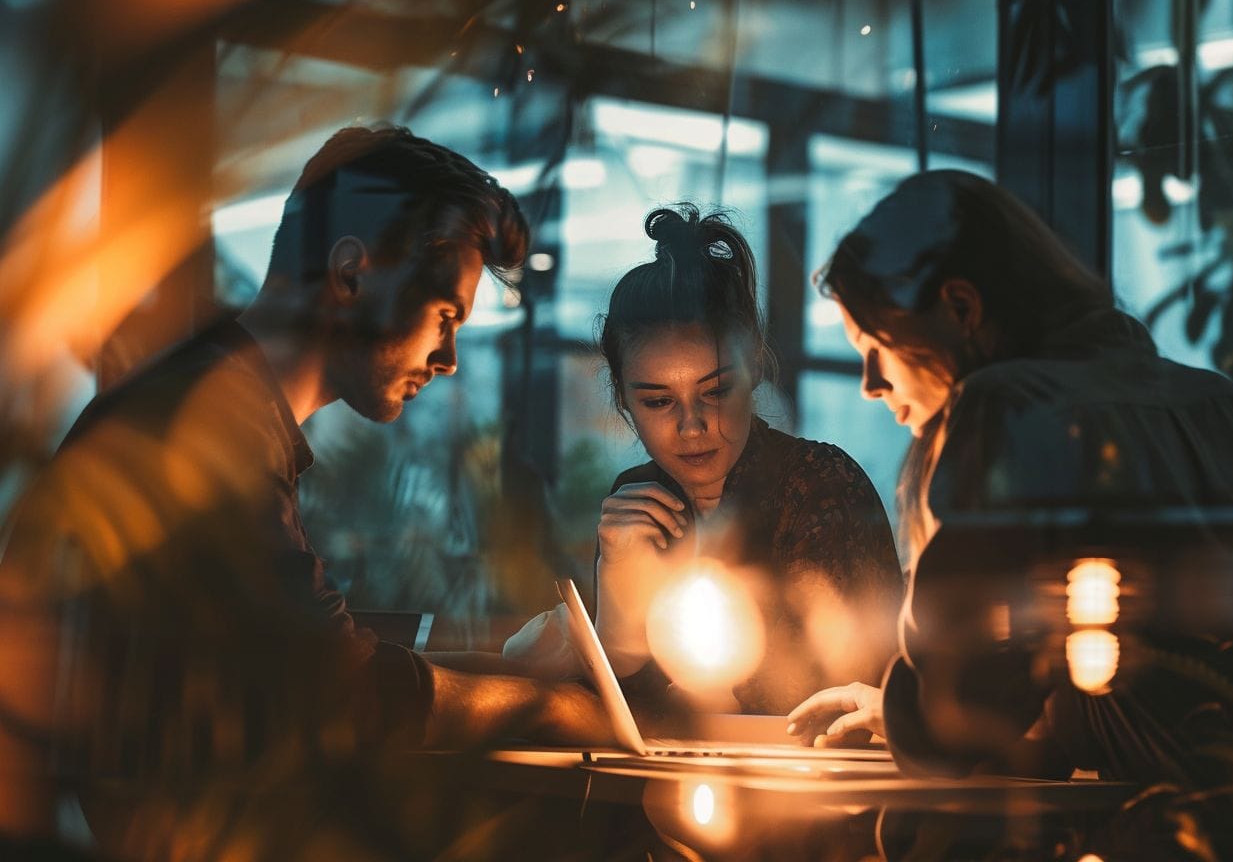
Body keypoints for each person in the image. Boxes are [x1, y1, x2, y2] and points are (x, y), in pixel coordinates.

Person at [0, 125, 611, 854]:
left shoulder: (213, 394)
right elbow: (347, 694)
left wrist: (506, 674)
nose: (447, 359)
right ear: (350, 275)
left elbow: (311, 651)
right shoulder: (214, 427)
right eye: (444, 317)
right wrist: (549, 709)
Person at [785, 169, 1233, 783]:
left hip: (1170, 828)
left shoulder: (1010, 406)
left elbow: (956, 710)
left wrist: (909, 713)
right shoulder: (1216, 401)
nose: (870, 384)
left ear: (961, 308)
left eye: (877, 345)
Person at [503, 205, 904, 716]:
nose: (691, 427)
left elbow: (831, 687)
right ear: (624, 399)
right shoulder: (637, 501)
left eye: (714, 392)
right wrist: (617, 632)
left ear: (755, 367)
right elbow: (625, 714)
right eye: (658, 401)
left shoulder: (820, 483)